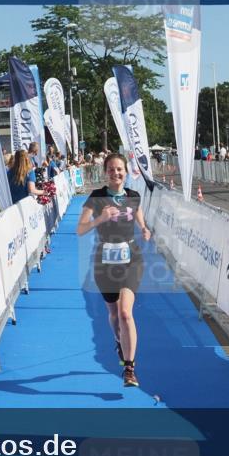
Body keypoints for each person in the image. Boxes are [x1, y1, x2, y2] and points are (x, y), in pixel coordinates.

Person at [76, 153, 151, 388]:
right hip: (104, 262)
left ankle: (129, 369)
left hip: (131, 259)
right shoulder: (96, 198)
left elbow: (137, 212)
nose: (116, 173)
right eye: (111, 170)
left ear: (126, 172)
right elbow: (80, 229)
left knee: (126, 313)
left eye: (120, 169)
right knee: (114, 314)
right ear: (105, 172)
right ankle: (119, 339)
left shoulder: (133, 196)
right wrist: (100, 219)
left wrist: (144, 227)